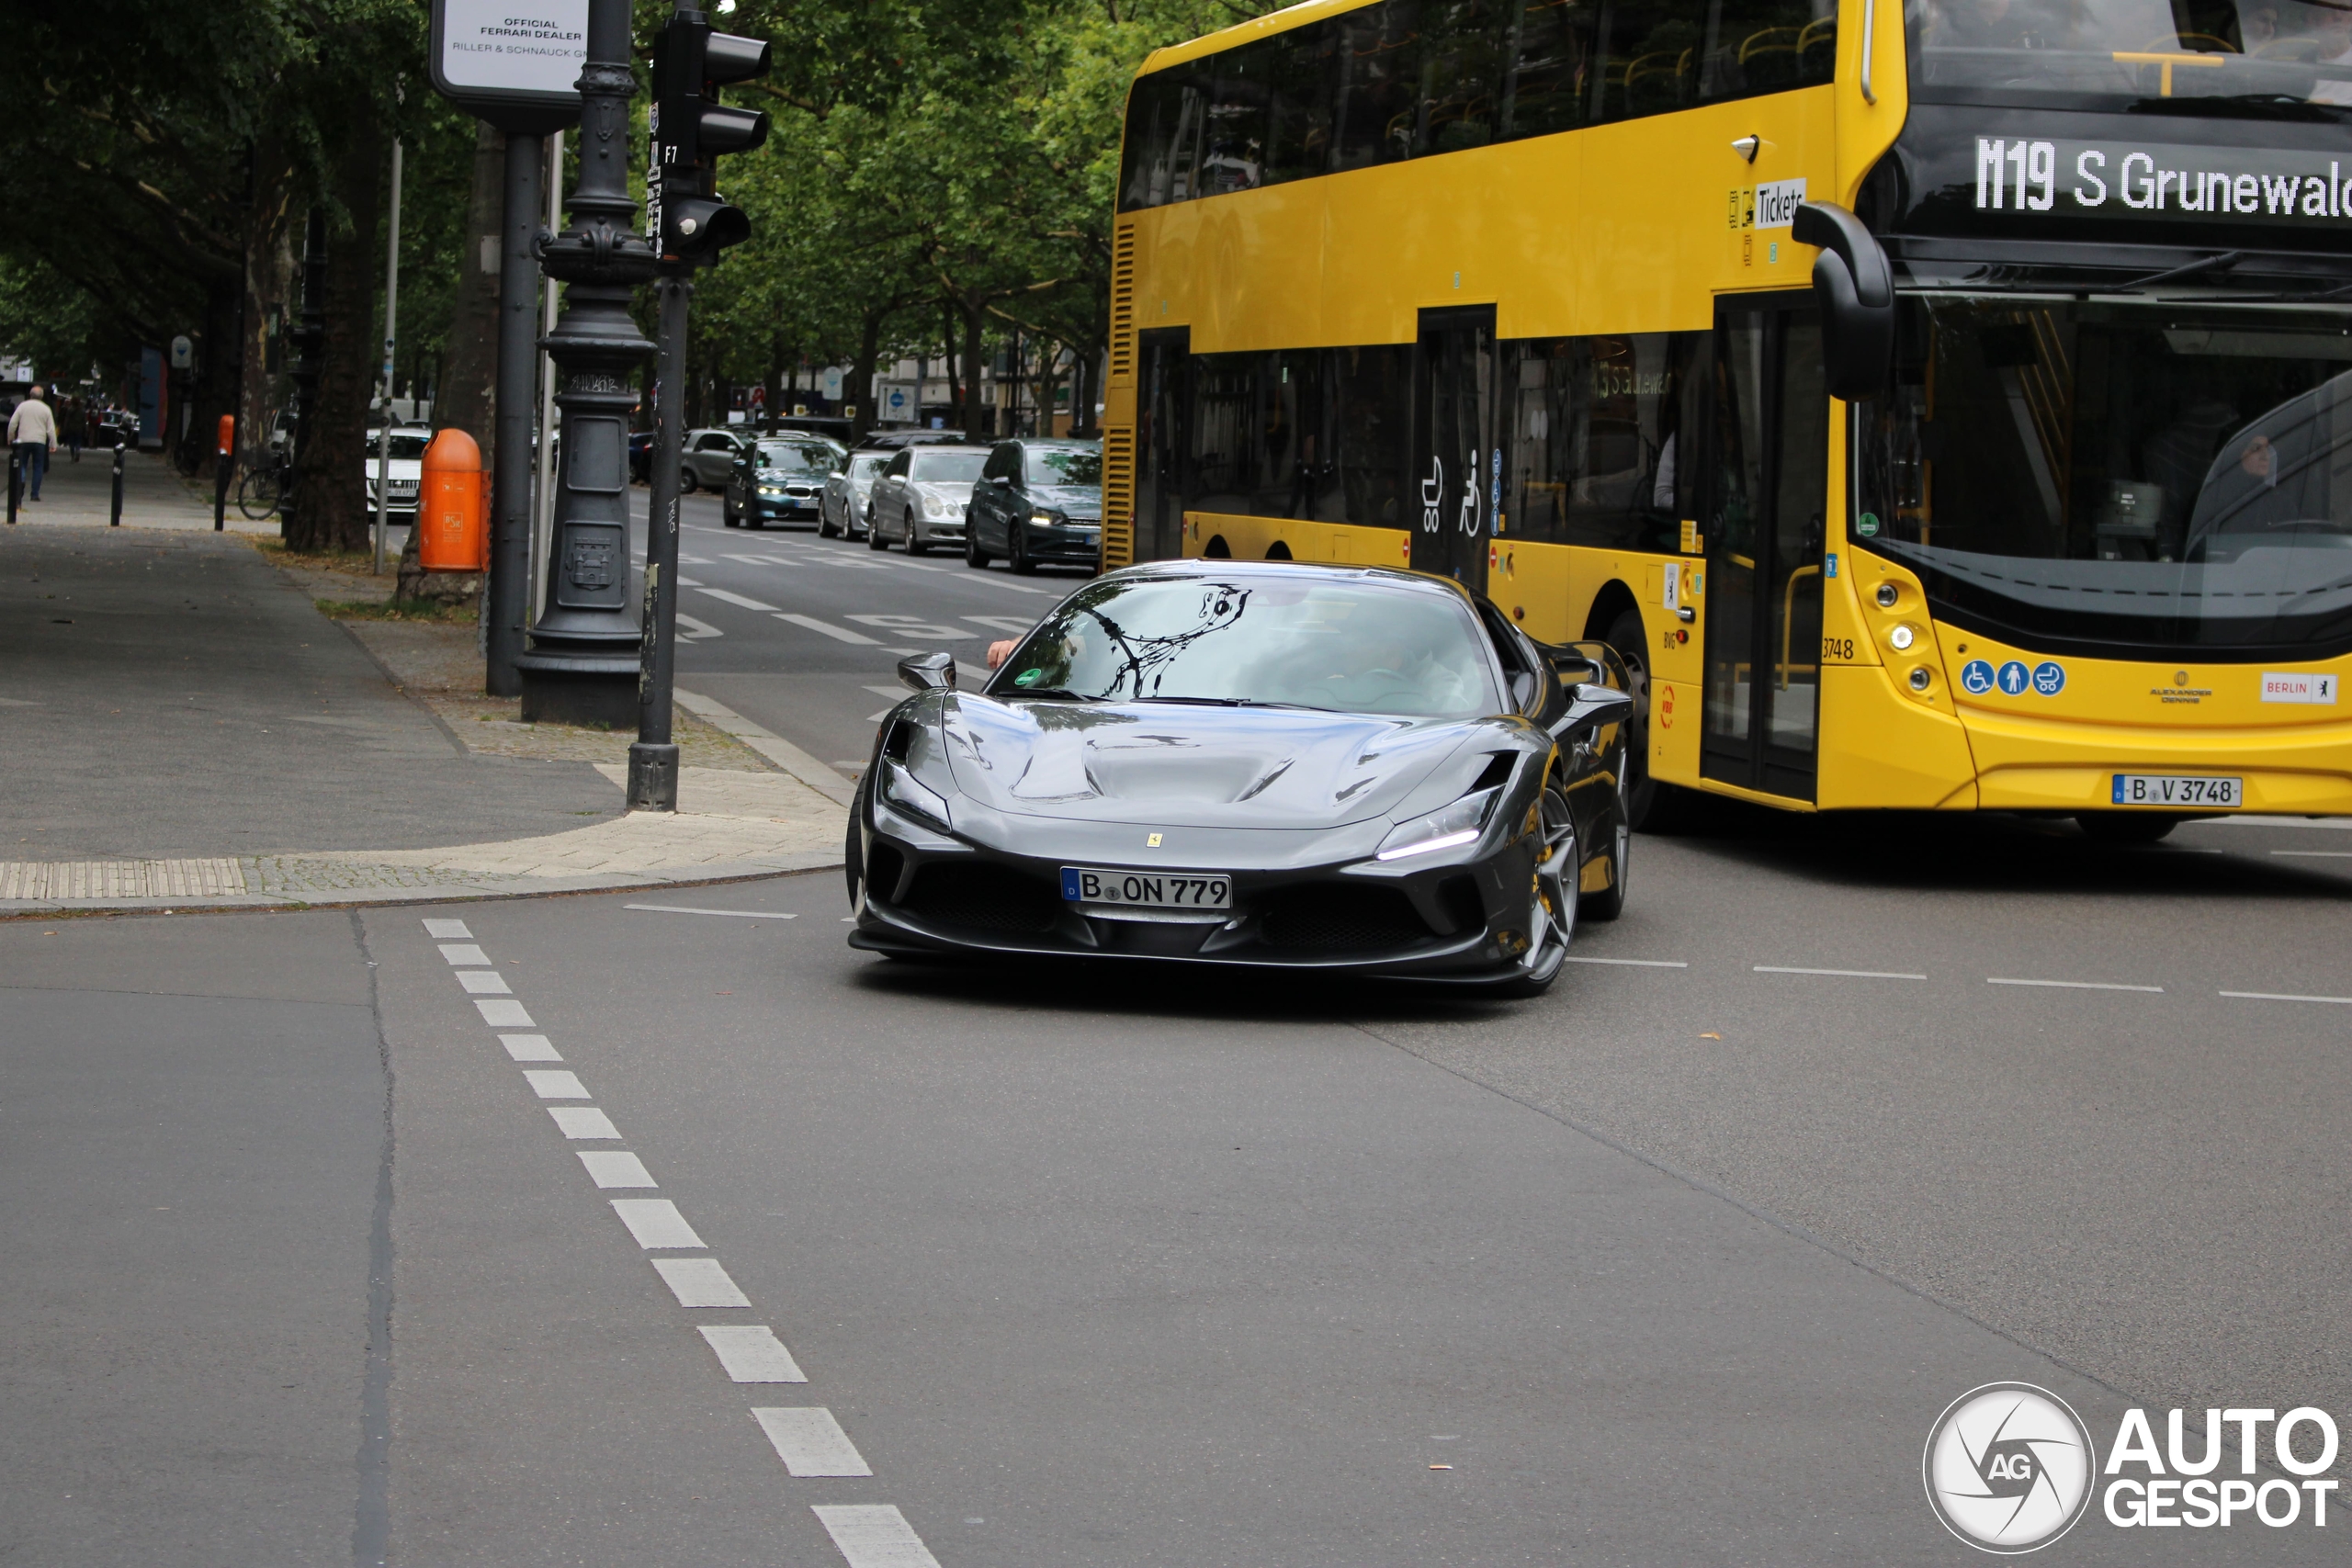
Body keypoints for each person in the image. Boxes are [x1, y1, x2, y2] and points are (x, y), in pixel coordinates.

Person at [8, 383, 58, 502]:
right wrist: (53, 444)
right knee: (38, 467)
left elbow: (13, 423)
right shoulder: (46, 409)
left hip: (23, 440)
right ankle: (34, 494)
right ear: (42, 396)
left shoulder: (22, 406)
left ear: (30, 395)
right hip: (39, 441)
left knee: (22, 464)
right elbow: (51, 428)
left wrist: (10, 438)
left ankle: (21, 483)